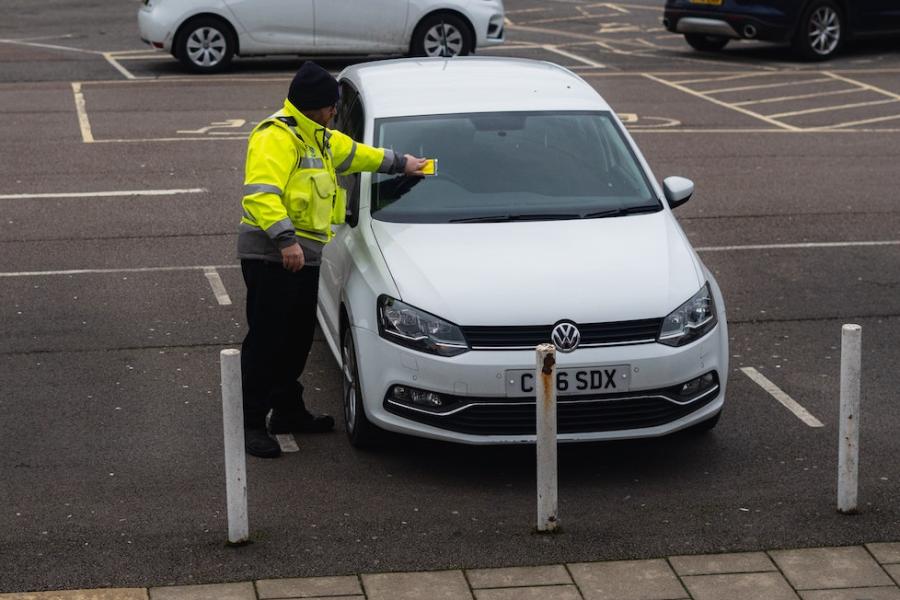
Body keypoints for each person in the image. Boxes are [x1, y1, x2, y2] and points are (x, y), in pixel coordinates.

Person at [237, 61, 427, 458]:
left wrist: (404, 163)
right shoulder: (277, 137)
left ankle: (287, 411)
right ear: (312, 106)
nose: (335, 113)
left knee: (295, 340)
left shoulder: (319, 137)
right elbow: (260, 195)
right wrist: (285, 241)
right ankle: (253, 423)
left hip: (303, 256)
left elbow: (358, 154)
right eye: (330, 106)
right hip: (273, 256)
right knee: (267, 341)